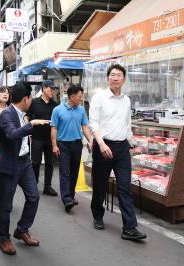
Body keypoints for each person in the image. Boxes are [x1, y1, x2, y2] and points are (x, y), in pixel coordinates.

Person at [89, 64, 147, 241]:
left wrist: (131, 142)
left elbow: (127, 123)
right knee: (100, 185)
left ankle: (129, 227)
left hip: (122, 148)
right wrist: (101, 144)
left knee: (124, 187)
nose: (115, 77)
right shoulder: (99, 97)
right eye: (112, 75)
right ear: (107, 78)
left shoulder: (127, 100)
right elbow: (94, 123)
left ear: (124, 79)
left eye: (119, 75)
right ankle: (97, 215)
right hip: (103, 145)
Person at [0, 82, 49, 255]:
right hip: (9, 165)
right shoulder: (6, 115)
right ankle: (4, 238)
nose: (32, 100)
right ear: (25, 99)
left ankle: (22, 229)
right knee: (6, 205)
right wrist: (31, 124)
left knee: (34, 197)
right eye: (31, 97)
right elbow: (12, 134)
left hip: (25, 163)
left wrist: (31, 124)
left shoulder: (23, 114)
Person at [51, 84, 93, 212]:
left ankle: (71, 196)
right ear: (72, 96)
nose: (81, 99)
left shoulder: (81, 110)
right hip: (63, 144)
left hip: (77, 144)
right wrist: (54, 145)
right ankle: (66, 199)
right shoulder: (57, 110)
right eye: (80, 97)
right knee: (64, 173)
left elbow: (85, 127)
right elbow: (54, 128)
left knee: (74, 172)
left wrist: (91, 140)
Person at [26, 80, 58, 196]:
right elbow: (27, 117)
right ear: (43, 88)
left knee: (50, 163)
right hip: (36, 138)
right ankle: (33, 185)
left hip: (51, 138)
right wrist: (28, 131)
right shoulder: (34, 102)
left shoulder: (55, 105)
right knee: (36, 162)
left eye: (54, 89)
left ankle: (47, 187)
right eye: (51, 88)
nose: (52, 91)